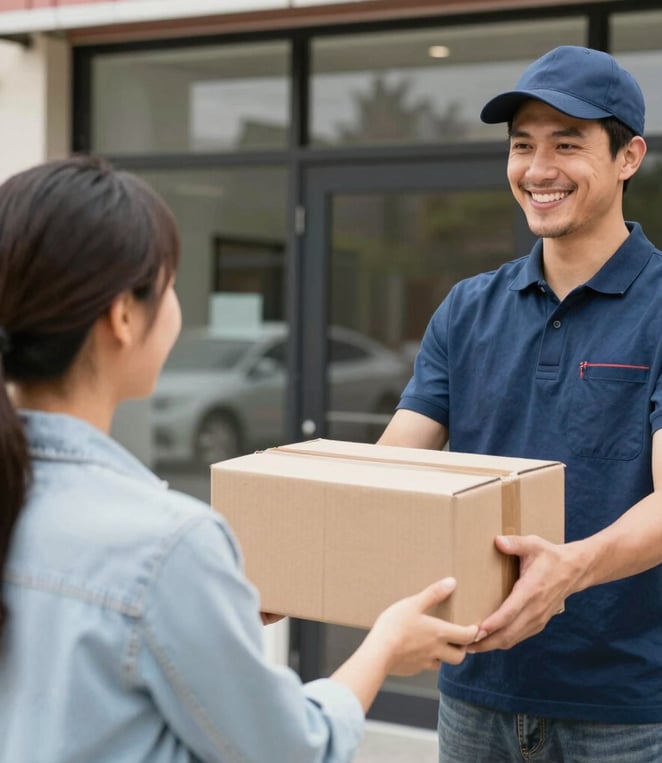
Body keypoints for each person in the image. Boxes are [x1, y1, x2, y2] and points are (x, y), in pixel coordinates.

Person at [0, 155, 479, 763]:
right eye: (170, 283)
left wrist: (218, 608)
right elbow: (292, 749)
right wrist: (384, 646)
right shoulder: (166, 546)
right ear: (123, 315)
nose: (175, 305)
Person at [379, 45, 662, 762]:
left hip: (622, 707)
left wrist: (569, 569)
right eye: (522, 146)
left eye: (567, 144)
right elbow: (391, 467)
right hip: (474, 687)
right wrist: (285, 560)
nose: (538, 170)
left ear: (628, 157)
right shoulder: (467, 308)